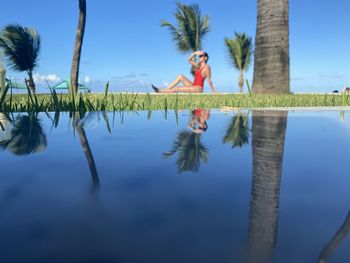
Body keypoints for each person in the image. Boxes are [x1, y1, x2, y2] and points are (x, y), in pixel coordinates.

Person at [152, 51, 216, 93]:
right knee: (180, 76)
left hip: (198, 88)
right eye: (200, 56)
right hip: (193, 86)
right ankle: (166, 90)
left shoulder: (207, 67)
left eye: (202, 56)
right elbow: (188, 60)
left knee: (178, 88)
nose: (200, 57)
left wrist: (213, 91)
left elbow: (209, 80)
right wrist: (195, 53)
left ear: (206, 58)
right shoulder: (198, 66)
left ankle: (160, 91)